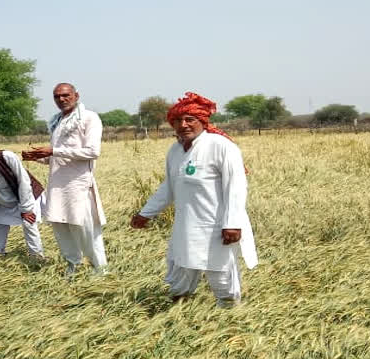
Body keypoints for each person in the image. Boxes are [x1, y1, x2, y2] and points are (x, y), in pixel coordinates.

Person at [130, 92, 257, 307]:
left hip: (217, 226)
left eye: (190, 119)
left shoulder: (221, 146)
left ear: (203, 121)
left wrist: (232, 224)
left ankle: (230, 318)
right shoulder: (176, 150)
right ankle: (178, 313)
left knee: (221, 275)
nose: (184, 125)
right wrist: (146, 213)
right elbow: (169, 187)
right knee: (181, 269)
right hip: (185, 226)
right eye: (178, 120)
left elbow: (236, 187)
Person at [22, 82, 107, 276]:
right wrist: (38, 157)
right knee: (61, 228)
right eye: (57, 97)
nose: (61, 99)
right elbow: (57, 158)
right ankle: (73, 267)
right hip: (57, 185)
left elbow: (92, 151)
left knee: (86, 230)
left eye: (65, 95)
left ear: (76, 95)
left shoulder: (89, 117)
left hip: (78, 185)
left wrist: (53, 150)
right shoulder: (57, 121)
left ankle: (100, 271)